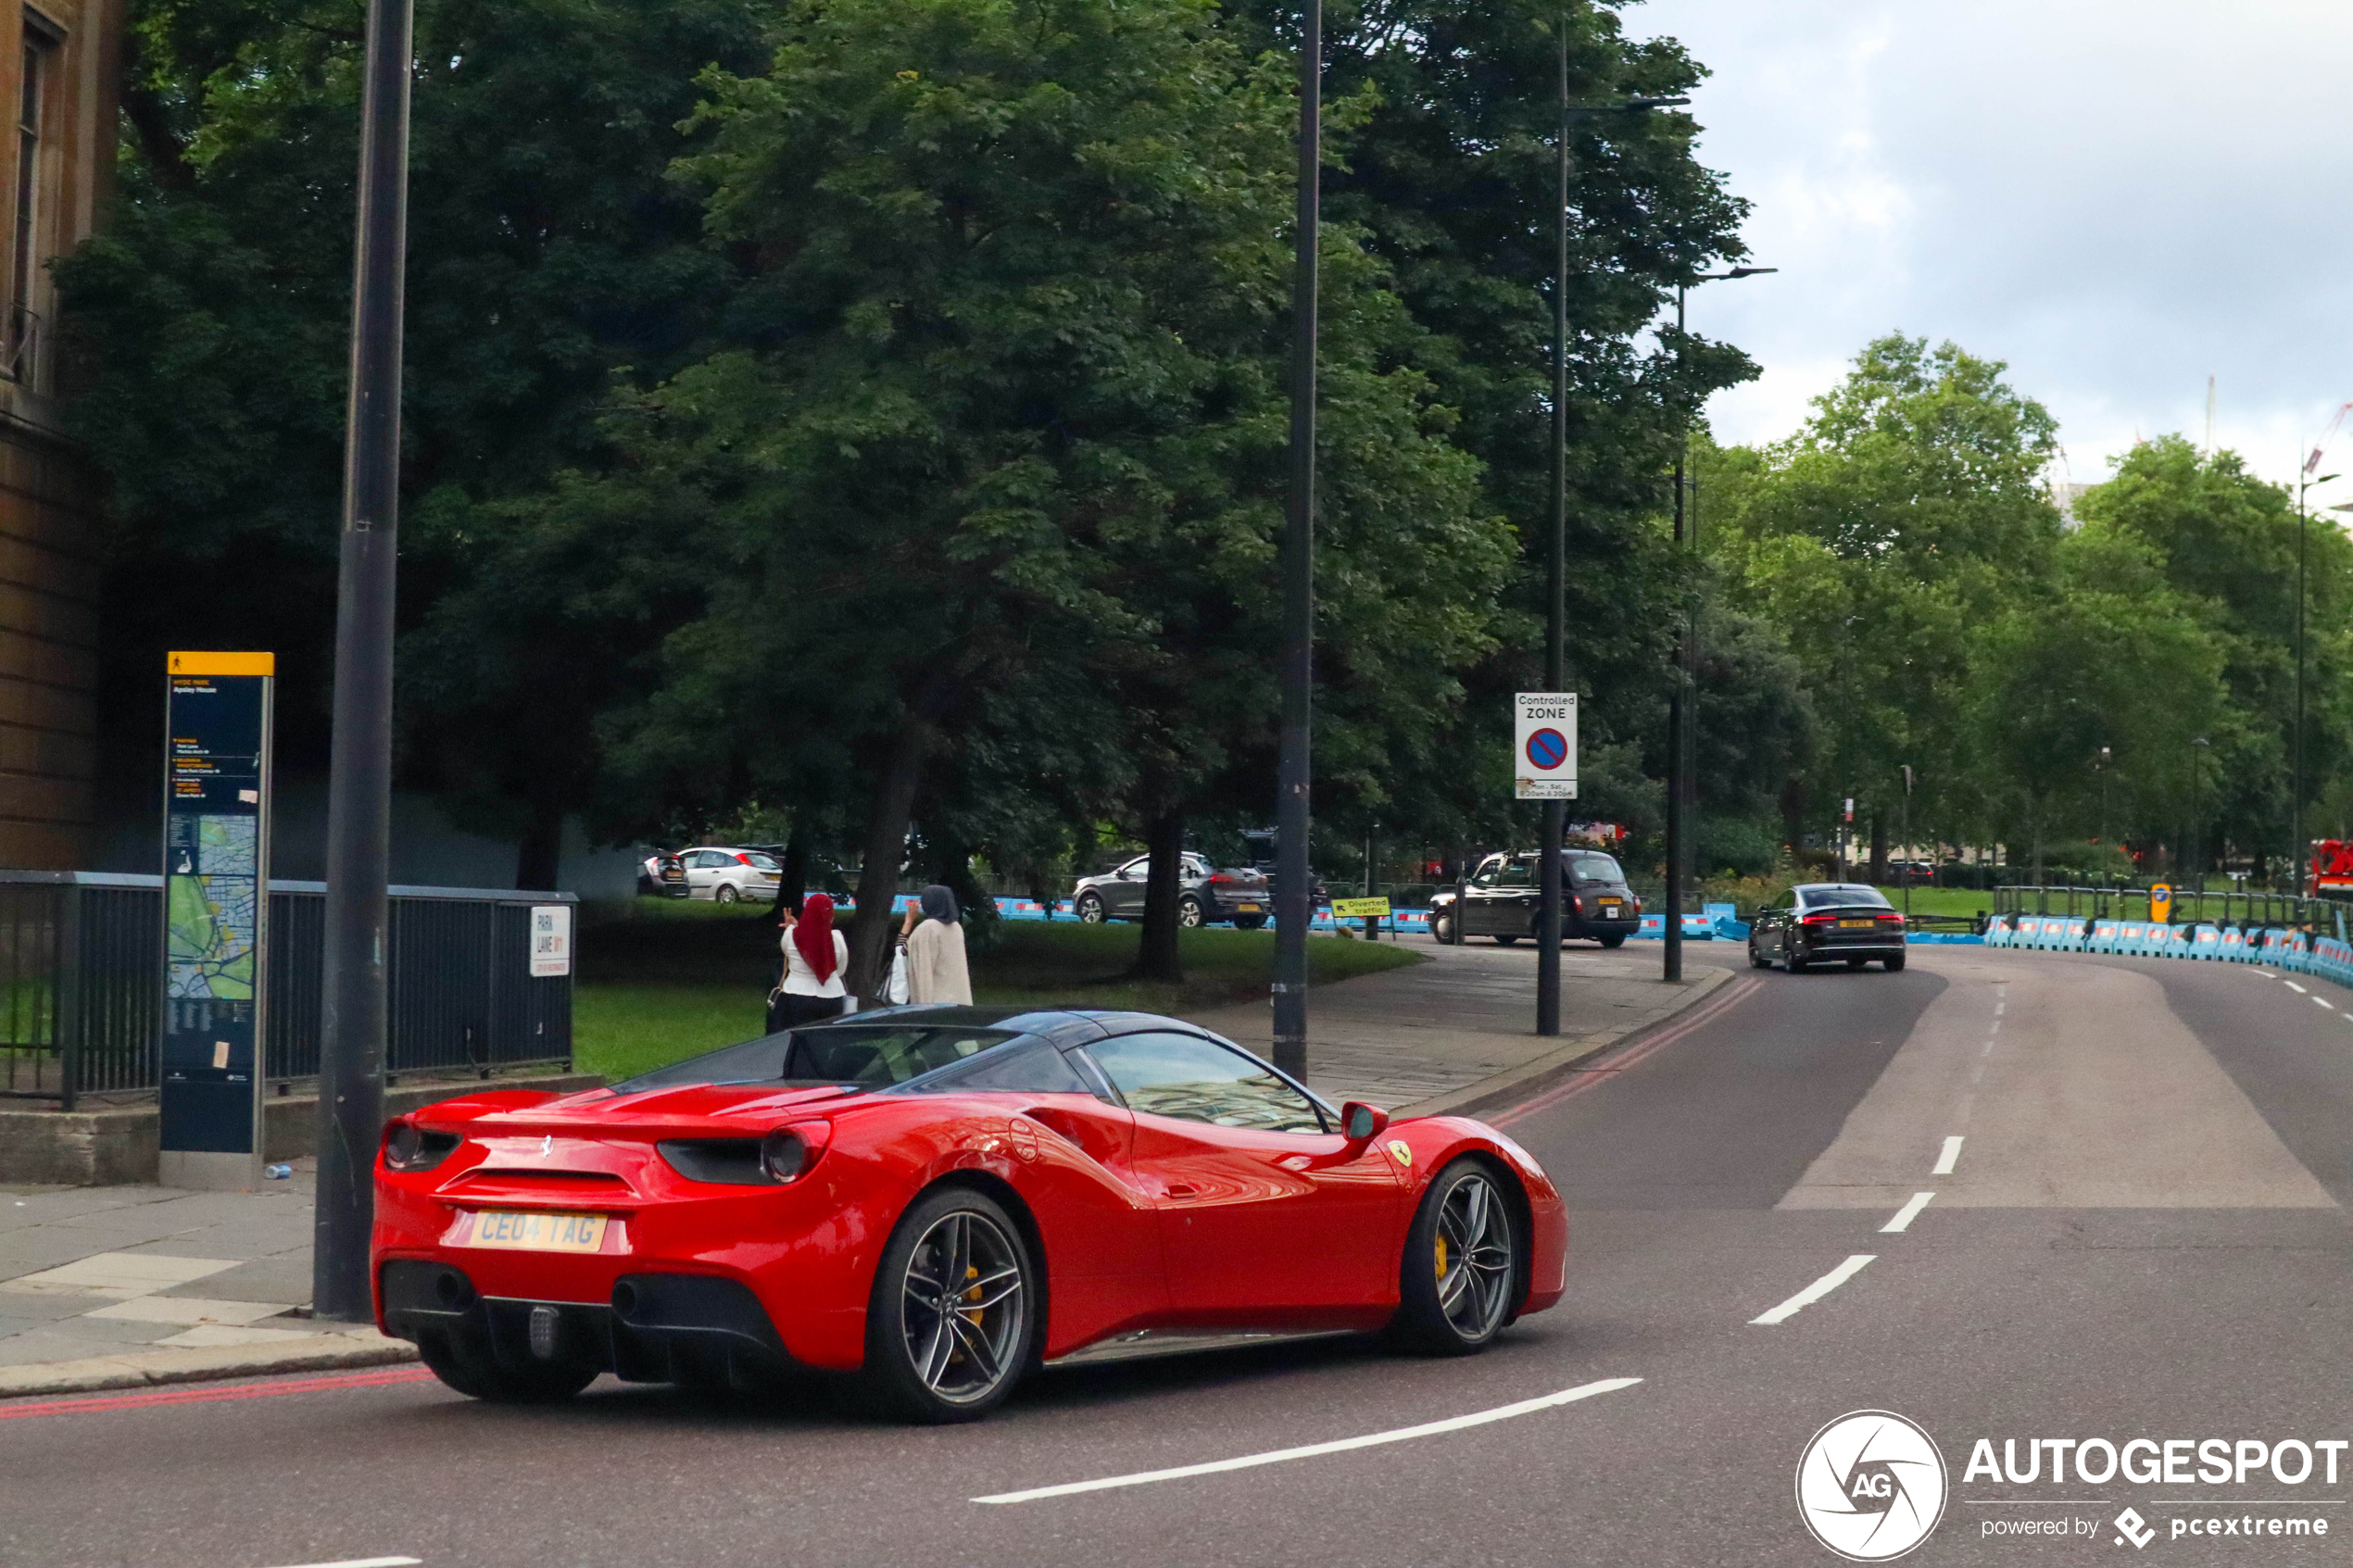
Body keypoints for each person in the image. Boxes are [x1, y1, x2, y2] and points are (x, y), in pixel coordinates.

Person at [769, 892, 849, 1032]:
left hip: (796, 995)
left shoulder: (791, 935)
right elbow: (840, 969)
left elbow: (801, 944)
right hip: (832, 996)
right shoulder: (837, 939)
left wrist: (793, 927)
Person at [901, 884, 972, 1005]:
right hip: (958, 1002)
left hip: (935, 1004)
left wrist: (908, 921)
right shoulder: (956, 928)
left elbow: (902, 953)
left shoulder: (928, 929)